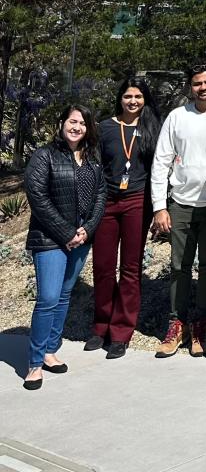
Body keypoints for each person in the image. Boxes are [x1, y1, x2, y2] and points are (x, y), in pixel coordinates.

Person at [151, 62, 206, 358]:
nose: (204, 87)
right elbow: (161, 162)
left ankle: (200, 323)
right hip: (181, 205)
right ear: (191, 86)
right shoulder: (177, 117)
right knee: (179, 267)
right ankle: (177, 324)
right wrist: (160, 207)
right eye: (198, 83)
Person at [22, 105, 106, 390]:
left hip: (81, 239)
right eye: (73, 121)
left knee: (64, 295)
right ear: (62, 123)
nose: (77, 127)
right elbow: (37, 196)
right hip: (50, 239)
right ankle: (34, 363)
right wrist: (66, 232)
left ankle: (49, 350)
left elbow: (100, 196)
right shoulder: (44, 156)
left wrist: (87, 229)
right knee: (47, 298)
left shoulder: (93, 158)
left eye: (83, 123)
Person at [85, 78, 160, 359]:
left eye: (138, 96)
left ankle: (121, 331)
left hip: (137, 203)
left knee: (130, 269)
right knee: (103, 268)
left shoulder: (152, 128)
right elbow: (93, 165)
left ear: (145, 99)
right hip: (107, 203)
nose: (133, 101)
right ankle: (100, 326)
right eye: (128, 96)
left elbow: (159, 167)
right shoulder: (104, 128)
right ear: (120, 99)